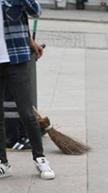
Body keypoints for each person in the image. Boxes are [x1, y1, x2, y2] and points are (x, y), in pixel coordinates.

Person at [0, 0, 54, 180]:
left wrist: (30, 41)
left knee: (27, 112)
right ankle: (2, 162)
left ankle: (40, 158)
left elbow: (36, 11)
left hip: (16, 59)